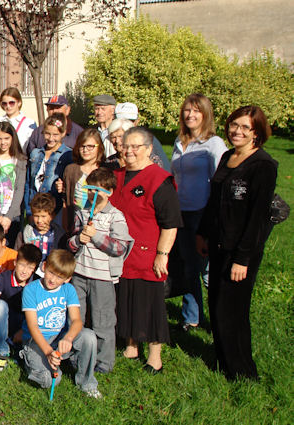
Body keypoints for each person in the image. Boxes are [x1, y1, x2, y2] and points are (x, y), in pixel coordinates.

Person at [197, 105, 277, 381]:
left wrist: (243, 258)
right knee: (217, 305)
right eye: (234, 125)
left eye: (245, 127)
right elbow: (214, 201)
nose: (237, 131)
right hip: (218, 244)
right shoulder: (228, 157)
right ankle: (223, 361)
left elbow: (258, 218)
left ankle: (242, 372)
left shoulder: (263, 165)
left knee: (233, 311)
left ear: (257, 133)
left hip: (241, 250)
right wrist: (202, 233)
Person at [111, 127, 182, 375]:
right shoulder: (117, 176)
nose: (129, 151)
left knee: (149, 304)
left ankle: (155, 357)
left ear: (149, 149)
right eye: (125, 146)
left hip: (146, 253)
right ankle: (131, 345)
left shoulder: (159, 180)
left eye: (135, 146)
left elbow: (170, 223)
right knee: (126, 299)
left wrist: (162, 254)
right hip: (120, 253)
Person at [66, 167, 132, 373]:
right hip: (79, 275)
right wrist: (78, 239)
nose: (93, 194)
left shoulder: (115, 216)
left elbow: (120, 248)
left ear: (109, 192)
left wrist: (96, 236)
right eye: (90, 190)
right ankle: (75, 358)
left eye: (99, 190)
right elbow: (71, 243)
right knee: (76, 318)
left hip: (102, 278)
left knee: (103, 321)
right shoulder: (82, 213)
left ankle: (104, 363)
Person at [171, 94, 226, 332]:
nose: (190, 115)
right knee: (189, 267)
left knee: (206, 269)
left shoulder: (213, 144)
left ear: (205, 114)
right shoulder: (179, 141)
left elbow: (220, 181)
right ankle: (192, 317)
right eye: (187, 110)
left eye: (196, 111)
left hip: (202, 212)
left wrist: (213, 217)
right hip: (181, 211)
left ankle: (221, 318)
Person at [19, 249, 101, 399]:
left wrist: (68, 338)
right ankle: (29, 360)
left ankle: (87, 383)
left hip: (59, 338)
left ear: (67, 279)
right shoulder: (31, 289)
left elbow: (77, 321)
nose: (53, 279)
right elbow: (33, 326)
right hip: (37, 341)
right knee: (50, 380)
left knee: (88, 336)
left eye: (59, 277)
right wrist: (48, 352)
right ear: (44, 267)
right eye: (51, 273)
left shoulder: (68, 289)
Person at [0, 244, 42, 372]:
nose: (24, 271)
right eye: (22, 265)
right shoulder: (4, 277)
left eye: (30, 267)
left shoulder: (38, 282)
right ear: (15, 262)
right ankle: (2, 351)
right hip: (7, 320)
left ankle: (21, 349)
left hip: (27, 323)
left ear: (35, 269)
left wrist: (24, 330)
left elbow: (40, 312)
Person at [25, 114, 72, 222]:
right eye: (47, 134)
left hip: (55, 211)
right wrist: (29, 211)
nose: (51, 138)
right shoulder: (35, 153)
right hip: (35, 210)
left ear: (63, 133)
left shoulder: (67, 155)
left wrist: (55, 212)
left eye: (55, 134)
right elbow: (29, 184)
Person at [58, 128, 106, 230]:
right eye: (82, 146)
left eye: (90, 146)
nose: (85, 150)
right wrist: (66, 222)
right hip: (75, 221)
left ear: (99, 147)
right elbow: (66, 199)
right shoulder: (71, 169)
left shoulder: (104, 171)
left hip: (99, 223)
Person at [16, 193, 65, 277]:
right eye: (36, 216)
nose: (39, 221)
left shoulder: (59, 234)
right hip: (29, 275)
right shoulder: (26, 233)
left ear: (52, 216)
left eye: (43, 216)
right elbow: (17, 254)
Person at [114, 102, 171, 172]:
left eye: (130, 121)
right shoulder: (110, 138)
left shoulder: (147, 140)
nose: (126, 124)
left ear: (137, 122)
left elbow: (163, 170)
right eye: (122, 121)